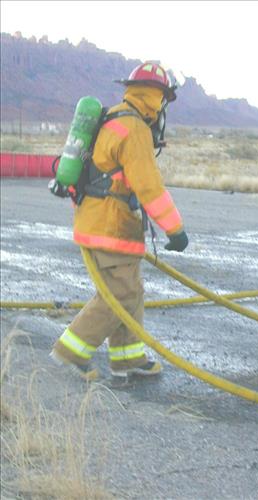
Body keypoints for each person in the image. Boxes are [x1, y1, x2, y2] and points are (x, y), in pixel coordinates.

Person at [50, 62, 188, 381]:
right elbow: (148, 186)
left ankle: (127, 358)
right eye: (164, 97)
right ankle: (71, 352)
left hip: (97, 221)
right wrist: (175, 230)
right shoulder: (135, 128)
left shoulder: (114, 117)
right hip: (110, 227)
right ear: (157, 96)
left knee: (131, 291)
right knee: (119, 295)